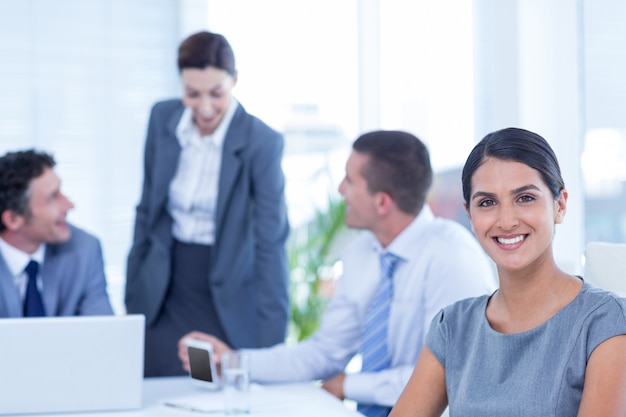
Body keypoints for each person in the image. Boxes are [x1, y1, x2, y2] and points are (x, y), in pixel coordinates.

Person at [178, 130, 496, 416]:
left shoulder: (453, 257)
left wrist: (348, 386)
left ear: (382, 202)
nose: (340, 189)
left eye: (350, 180)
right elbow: (325, 352)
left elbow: (447, 377)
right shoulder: (361, 254)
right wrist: (232, 361)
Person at [390, 127, 626, 417]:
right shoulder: (452, 327)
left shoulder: (605, 321)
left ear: (560, 205)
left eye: (525, 198)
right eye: (487, 203)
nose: (506, 220)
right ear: (470, 214)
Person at [125, 30, 290, 377]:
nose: (204, 107)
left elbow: (269, 243)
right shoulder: (162, 120)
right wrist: (133, 290)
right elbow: (146, 210)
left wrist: (271, 348)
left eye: (216, 93)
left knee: (203, 386)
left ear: (235, 81)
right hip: (163, 286)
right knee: (156, 388)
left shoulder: (261, 142)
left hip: (221, 293)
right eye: (192, 94)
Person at [0, 149, 113, 317]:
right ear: (13, 220)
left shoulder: (85, 249)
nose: (69, 205)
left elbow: (103, 335)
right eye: (53, 197)